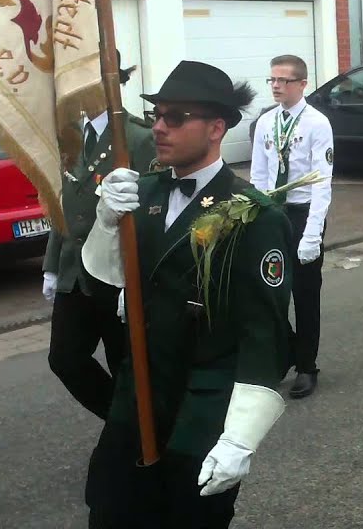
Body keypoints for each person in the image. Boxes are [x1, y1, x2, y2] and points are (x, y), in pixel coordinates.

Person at [81, 60, 291, 527]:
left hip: (201, 405)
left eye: (175, 117)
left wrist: (240, 439)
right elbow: (105, 281)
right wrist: (106, 219)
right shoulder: (145, 193)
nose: (158, 126)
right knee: (109, 510)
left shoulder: (253, 215)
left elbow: (266, 335)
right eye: (157, 114)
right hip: (137, 395)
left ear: (216, 128)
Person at [44, 59, 156, 420]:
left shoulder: (137, 138)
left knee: (125, 361)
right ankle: (122, 422)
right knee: (64, 358)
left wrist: (141, 273)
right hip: (74, 272)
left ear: (113, 83)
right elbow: (65, 204)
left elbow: (152, 211)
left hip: (115, 272)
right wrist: (51, 266)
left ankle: (138, 433)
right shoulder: (72, 135)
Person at [250, 55, 335, 399]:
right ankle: (283, 354)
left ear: (302, 84)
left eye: (283, 81)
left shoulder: (317, 123)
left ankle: (306, 365)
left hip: (302, 213)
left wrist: (313, 233)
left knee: (304, 291)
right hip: (273, 212)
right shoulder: (267, 122)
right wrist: (255, 215)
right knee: (270, 290)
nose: (275, 86)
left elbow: (322, 181)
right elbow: (258, 175)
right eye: (271, 80)